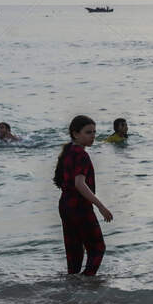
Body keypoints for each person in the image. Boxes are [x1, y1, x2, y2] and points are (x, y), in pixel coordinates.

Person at [53, 115, 112, 276]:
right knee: (97, 248)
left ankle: (73, 288)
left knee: (74, 253)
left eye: (94, 132)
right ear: (75, 133)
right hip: (79, 207)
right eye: (88, 132)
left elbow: (64, 181)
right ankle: (87, 283)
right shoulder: (81, 155)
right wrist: (101, 206)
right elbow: (79, 184)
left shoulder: (68, 151)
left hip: (65, 206)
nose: (93, 135)